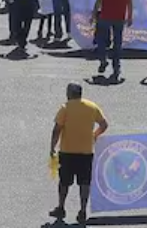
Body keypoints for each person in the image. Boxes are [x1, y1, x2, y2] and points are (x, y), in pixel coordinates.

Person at [50, 82, 107, 225]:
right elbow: (104, 124)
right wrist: (94, 135)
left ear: (70, 94)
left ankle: (61, 207)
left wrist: (52, 147)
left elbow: (57, 129)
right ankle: (82, 210)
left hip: (67, 151)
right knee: (84, 183)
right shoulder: (92, 107)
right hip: (86, 152)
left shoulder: (66, 108)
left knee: (64, 182)